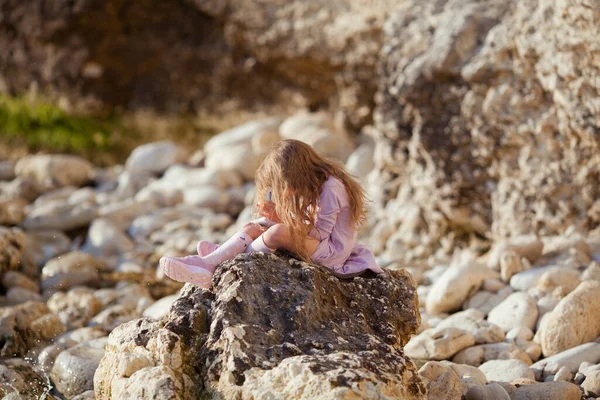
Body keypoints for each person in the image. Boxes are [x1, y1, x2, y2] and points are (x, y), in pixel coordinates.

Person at [160, 139, 384, 287]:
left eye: (284, 183)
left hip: (332, 252)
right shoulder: (317, 184)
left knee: (276, 233)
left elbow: (319, 234)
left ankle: (221, 260)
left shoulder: (331, 187)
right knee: (255, 226)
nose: (287, 190)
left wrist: (282, 220)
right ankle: (212, 259)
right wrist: (277, 218)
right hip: (320, 244)